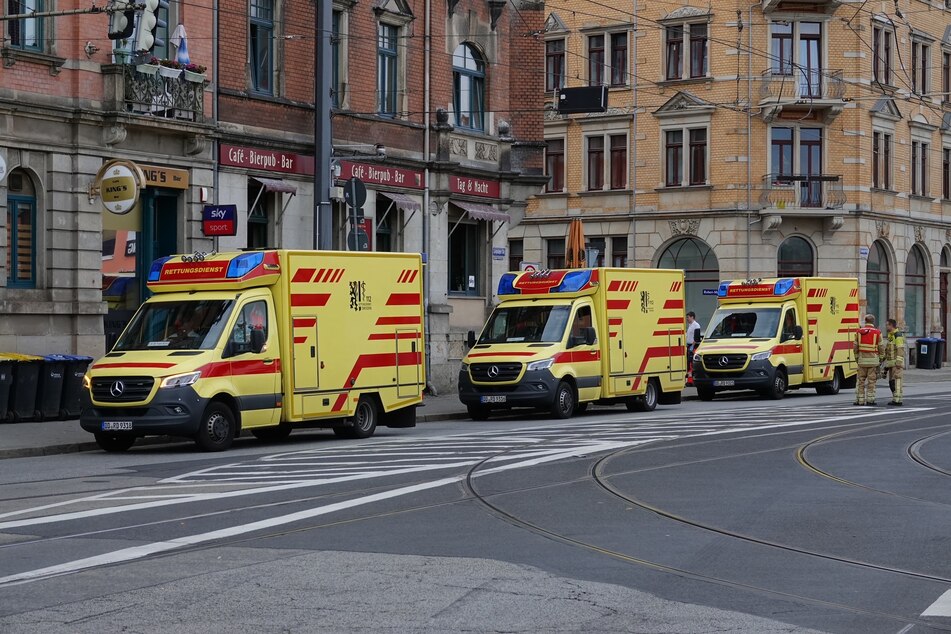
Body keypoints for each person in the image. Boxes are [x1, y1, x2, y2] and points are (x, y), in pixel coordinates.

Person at [853, 313, 885, 406]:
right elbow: (881, 347)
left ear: (865, 321)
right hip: (873, 361)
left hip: (862, 361)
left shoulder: (859, 332)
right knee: (871, 381)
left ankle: (860, 400)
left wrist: (856, 358)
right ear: (873, 322)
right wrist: (881, 358)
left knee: (860, 381)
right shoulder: (877, 332)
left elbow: (855, 347)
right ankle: (870, 400)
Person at [883, 318, 905, 406]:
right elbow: (888, 349)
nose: (886, 326)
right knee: (892, 382)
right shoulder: (890, 335)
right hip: (891, 363)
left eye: (887, 325)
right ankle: (895, 398)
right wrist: (883, 359)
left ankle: (898, 399)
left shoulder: (898, 335)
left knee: (897, 381)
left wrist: (899, 362)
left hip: (896, 363)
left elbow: (900, 349)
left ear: (891, 325)